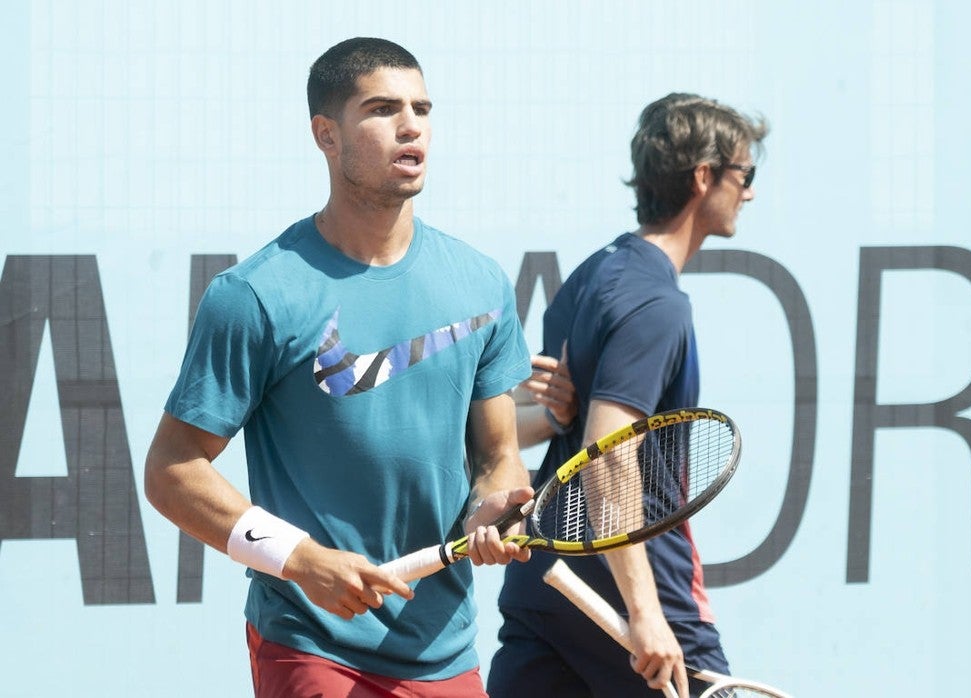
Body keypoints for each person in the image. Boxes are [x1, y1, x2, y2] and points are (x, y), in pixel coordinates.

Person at [144, 37, 535, 698]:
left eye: (422, 108)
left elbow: (498, 455)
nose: (411, 126)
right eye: (382, 109)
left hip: (447, 651)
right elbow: (172, 471)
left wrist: (494, 506)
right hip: (311, 646)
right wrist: (300, 561)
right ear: (327, 134)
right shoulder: (258, 294)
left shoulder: (481, 283)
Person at [489, 93, 768, 698]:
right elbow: (608, 457)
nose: (748, 192)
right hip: (627, 594)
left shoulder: (594, 273)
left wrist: (558, 414)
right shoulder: (656, 304)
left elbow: (551, 421)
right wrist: (645, 613)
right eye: (744, 175)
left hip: (547, 581)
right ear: (703, 176)